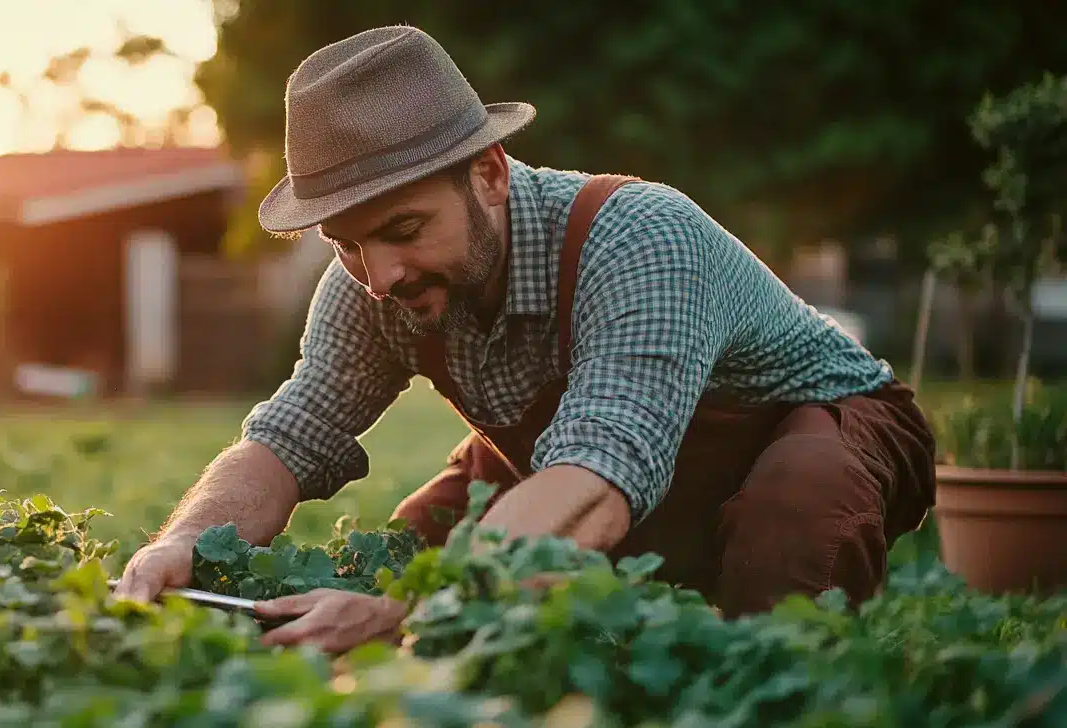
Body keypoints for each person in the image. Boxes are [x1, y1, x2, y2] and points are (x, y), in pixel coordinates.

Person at [113, 25, 937, 653]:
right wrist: (181, 542)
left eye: (404, 229)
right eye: (347, 243)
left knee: (790, 513)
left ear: (490, 173)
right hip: (587, 464)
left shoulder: (640, 238)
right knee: (399, 547)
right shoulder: (369, 285)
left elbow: (602, 469)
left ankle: (771, 712)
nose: (380, 275)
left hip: (816, 426)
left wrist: (413, 608)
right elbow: (291, 436)